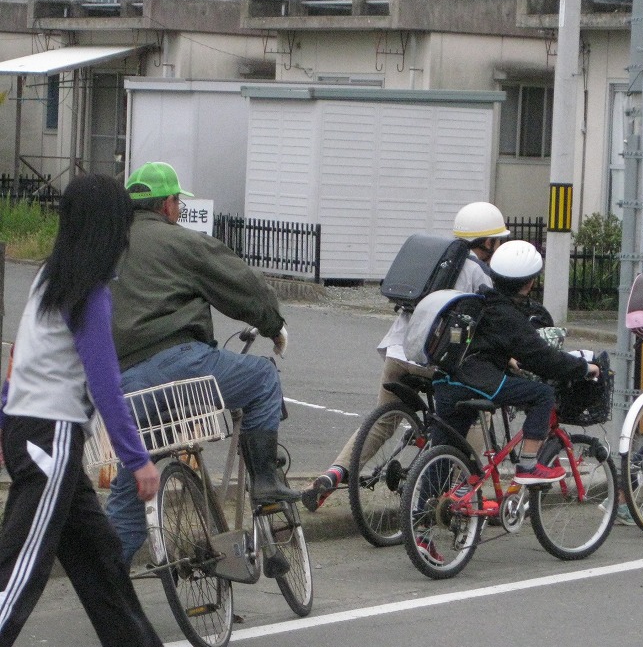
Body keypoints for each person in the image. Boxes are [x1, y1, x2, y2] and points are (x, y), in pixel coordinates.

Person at [0, 174, 195, 647]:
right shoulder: (90, 293)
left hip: (29, 428)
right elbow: (105, 383)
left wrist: (3, 422)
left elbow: (20, 359)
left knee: (99, 553)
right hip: (51, 435)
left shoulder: (50, 278)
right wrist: (138, 461)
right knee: (22, 564)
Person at [104, 161, 294, 566]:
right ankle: (264, 481)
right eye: (176, 202)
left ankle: (105, 581)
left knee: (133, 483)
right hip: (182, 367)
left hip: (122, 390)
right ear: (169, 205)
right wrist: (273, 325)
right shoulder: (181, 242)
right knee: (262, 378)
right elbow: (241, 285)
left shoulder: (104, 247)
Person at [302, 201, 509, 512]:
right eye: (499, 239)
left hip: (399, 352)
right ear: (489, 241)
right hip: (434, 358)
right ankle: (462, 491)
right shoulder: (479, 274)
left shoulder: (435, 261)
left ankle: (334, 473)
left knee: (383, 421)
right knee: (479, 413)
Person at [431, 240, 600, 484]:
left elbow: (484, 342)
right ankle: (529, 466)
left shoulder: (478, 300)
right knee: (541, 394)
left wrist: (507, 359)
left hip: (446, 377)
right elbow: (543, 359)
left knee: (446, 451)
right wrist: (584, 367)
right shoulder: (510, 316)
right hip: (477, 380)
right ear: (530, 282)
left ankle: (421, 510)